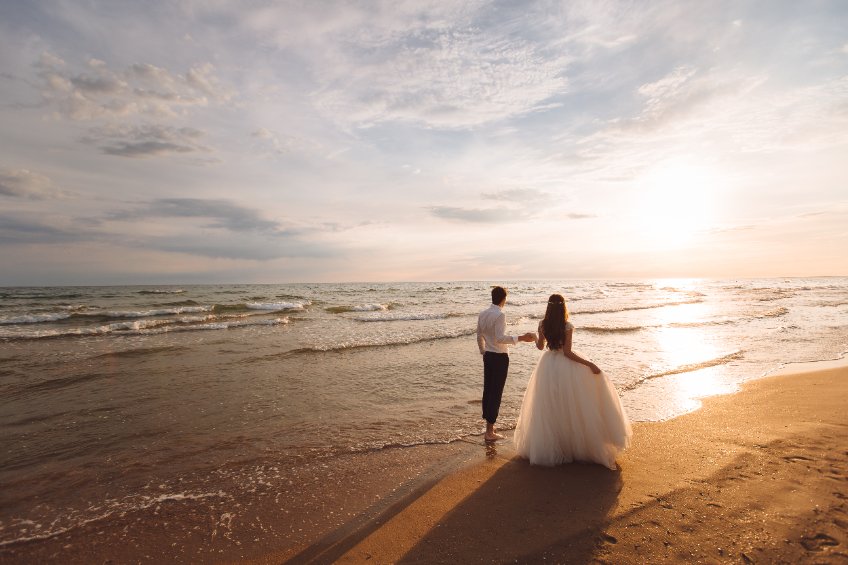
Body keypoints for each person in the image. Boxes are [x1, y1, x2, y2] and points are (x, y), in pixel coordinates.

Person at [513, 294, 631, 469]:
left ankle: (556, 446)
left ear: (548, 307)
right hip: (564, 366)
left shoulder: (542, 324)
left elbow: (540, 347)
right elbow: (567, 353)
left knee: (551, 407)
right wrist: (589, 363)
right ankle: (571, 446)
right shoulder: (567, 326)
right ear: (563, 307)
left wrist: (535, 337)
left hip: (547, 366)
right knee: (571, 405)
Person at [476, 286, 536, 442]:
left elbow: (479, 335)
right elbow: (500, 338)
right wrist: (521, 338)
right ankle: (489, 432)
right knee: (495, 393)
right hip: (499, 357)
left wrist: (483, 351)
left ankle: (489, 427)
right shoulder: (499, 315)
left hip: (489, 356)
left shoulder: (482, 314)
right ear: (504, 299)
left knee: (488, 390)